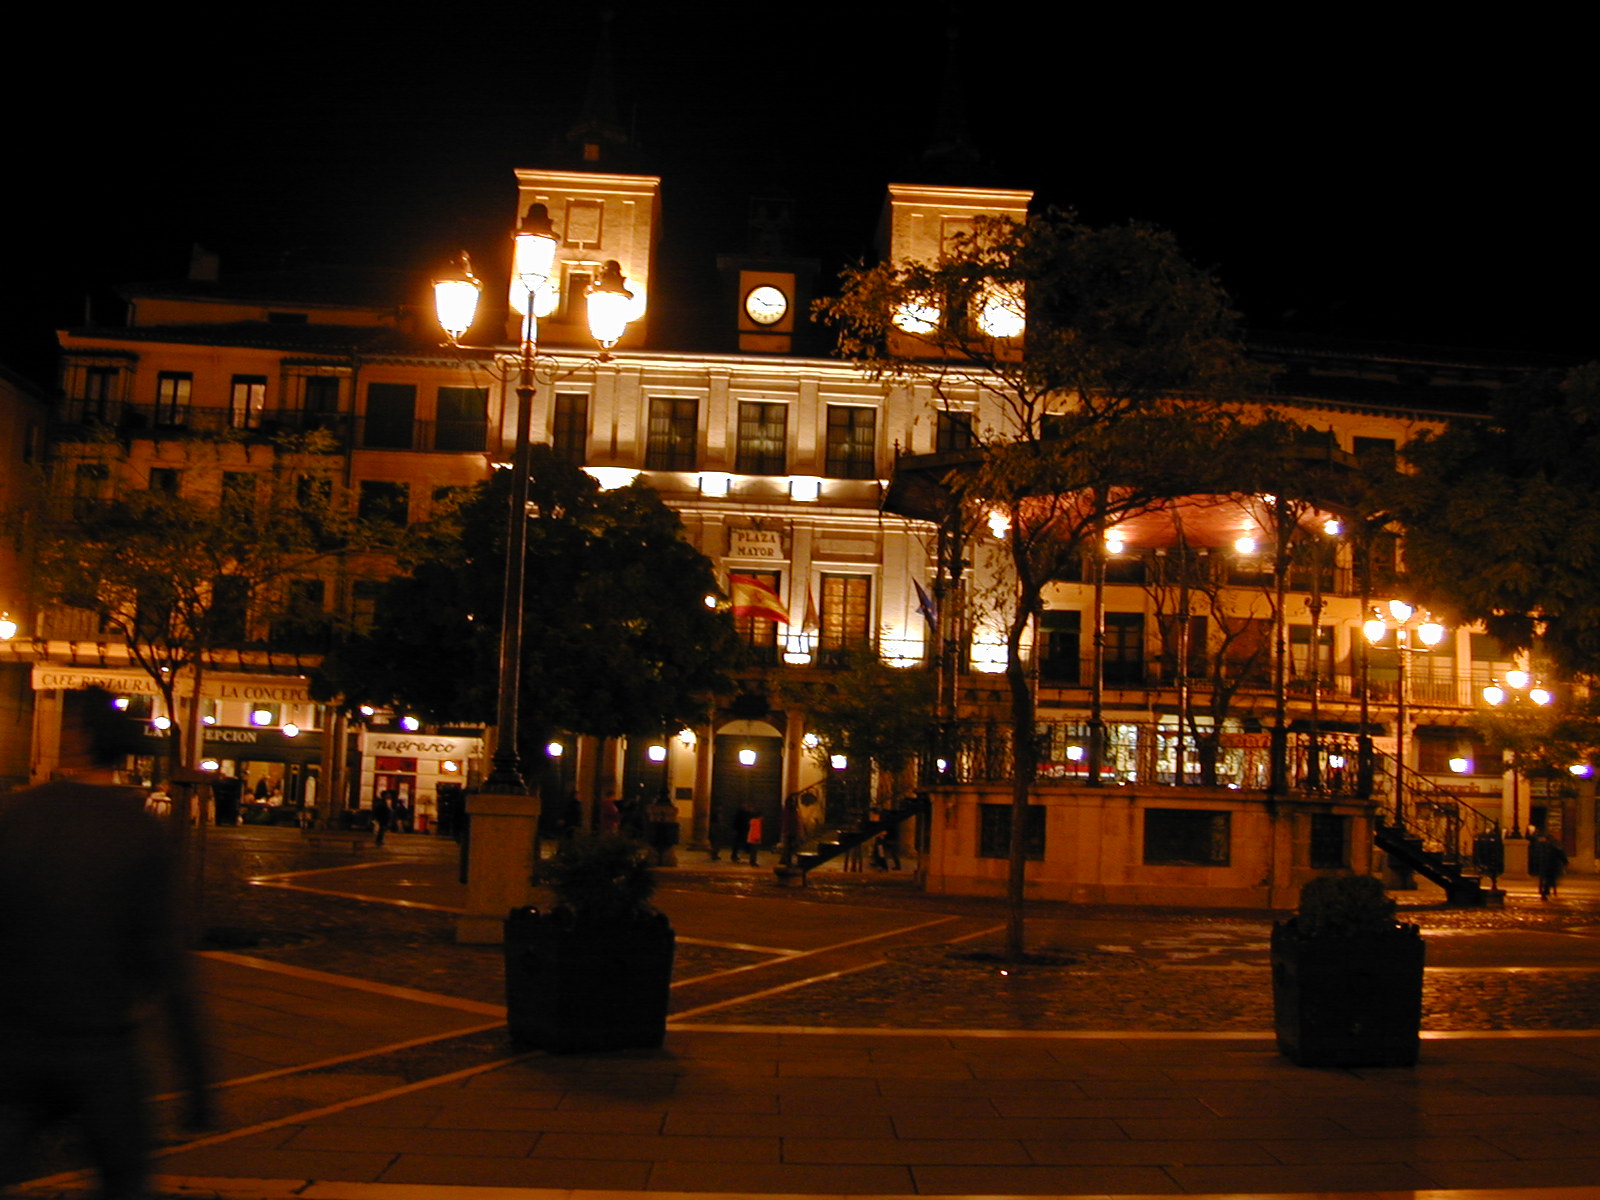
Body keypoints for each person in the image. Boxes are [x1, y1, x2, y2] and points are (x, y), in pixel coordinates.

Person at [0, 687, 209, 1200]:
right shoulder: (139, 830)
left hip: (17, 1043)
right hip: (104, 1045)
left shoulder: (18, 816)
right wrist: (197, 1083)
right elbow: (169, 965)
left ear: (76, 743)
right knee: (123, 1180)